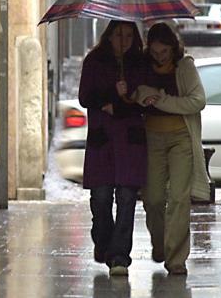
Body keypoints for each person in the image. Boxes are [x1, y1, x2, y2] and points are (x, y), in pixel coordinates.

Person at [131, 22, 209, 275]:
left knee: (178, 198)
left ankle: (176, 259)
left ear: (173, 48)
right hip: (152, 138)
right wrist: (141, 94)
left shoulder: (184, 66)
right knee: (153, 199)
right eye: (154, 52)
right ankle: (160, 243)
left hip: (180, 139)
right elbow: (135, 96)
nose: (159, 57)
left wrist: (161, 100)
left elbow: (197, 101)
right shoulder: (142, 67)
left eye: (164, 52)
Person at [78, 20, 148, 276]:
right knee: (101, 198)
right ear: (109, 36)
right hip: (103, 141)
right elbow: (85, 97)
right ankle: (103, 242)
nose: (125, 40)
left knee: (127, 198)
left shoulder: (139, 63)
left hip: (129, 142)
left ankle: (119, 256)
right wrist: (111, 94)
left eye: (129, 35)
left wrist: (120, 103)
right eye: (119, 35)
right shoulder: (94, 62)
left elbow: (144, 101)